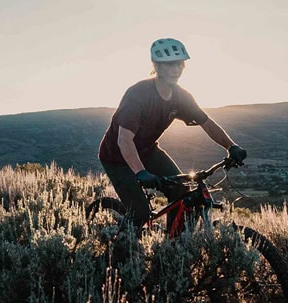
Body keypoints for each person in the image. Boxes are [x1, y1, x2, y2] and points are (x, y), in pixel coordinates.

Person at [98, 37, 247, 234]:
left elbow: (207, 123)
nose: (175, 69)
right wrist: (140, 172)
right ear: (157, 66)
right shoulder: (138, 94)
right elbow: (124, 139)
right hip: (116, 158)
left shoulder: (181, 96)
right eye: (169, 64)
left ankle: (173, 245)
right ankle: (119, 253)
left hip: (148, 151)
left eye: (179, 64)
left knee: (181, 191)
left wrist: (231, 146)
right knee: (140, 214)